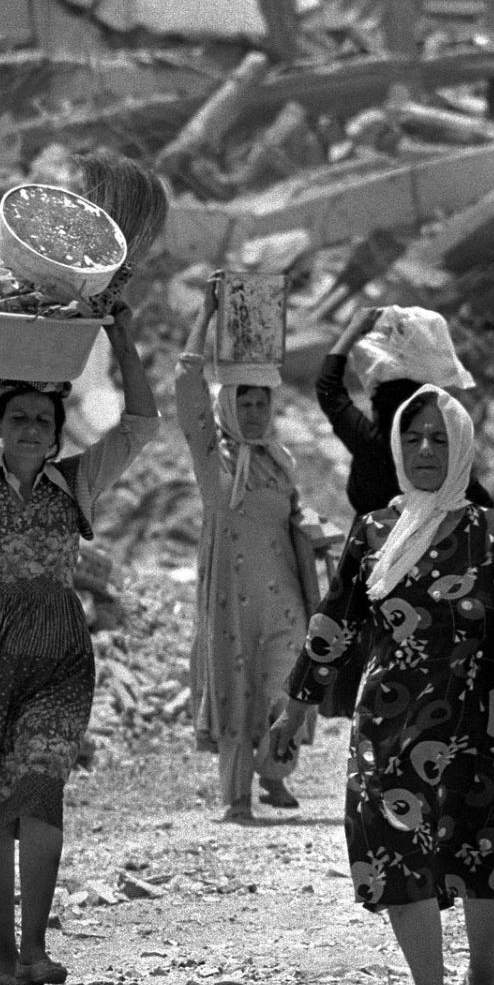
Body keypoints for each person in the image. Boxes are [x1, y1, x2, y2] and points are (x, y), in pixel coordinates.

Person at [270, 385, 494, 985]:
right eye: (413, 437)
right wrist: (295, 703)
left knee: (480, 850)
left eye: (440, 437)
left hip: (485, 720)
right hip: (389, 725)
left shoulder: (493, 532)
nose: (425, 449)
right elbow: (334, 624)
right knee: (395, 848)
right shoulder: (372, 532)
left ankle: (481, 974)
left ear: (463, 449)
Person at [0, 300, 159, 985]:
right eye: (17, 417)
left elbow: (141, 422)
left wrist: (119, 329)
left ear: (55, 432)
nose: (30, 429)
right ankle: (3, 958)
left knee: (40, 790)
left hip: (55, 653)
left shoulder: (76, 480)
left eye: (42, 421)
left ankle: (38, 950)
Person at [176, 297, 322, 822]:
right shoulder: (214, 458)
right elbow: (188, 385)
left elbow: (294, 517)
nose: (256, 413)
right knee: (236, 690)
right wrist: (209, 311)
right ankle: (237, 794)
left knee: (288, 680)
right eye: (246, 404)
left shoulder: (279, 461)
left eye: (263, 404)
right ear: (229, 407)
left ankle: (275, 770)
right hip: (231, 602)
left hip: (283, 599)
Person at [317, 306, 493, 516]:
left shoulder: (370, 443)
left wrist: (353, 329)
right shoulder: (439, 453)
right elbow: (485, 508)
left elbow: (328, 387)